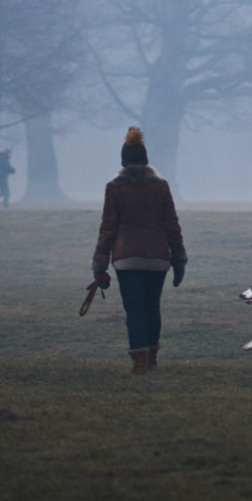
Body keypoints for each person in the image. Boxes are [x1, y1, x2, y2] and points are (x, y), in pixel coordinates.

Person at [92, 127, 186, 375]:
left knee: (134, 310)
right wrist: (179, 259)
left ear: (123, 161)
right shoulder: (161, 186)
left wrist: (99, 263)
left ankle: (140, 362)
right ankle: (152, 358)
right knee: (152, 307)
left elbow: (108, 228)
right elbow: (172, 225)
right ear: (146, 160)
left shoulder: (114, 188)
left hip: (127, 259)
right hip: (158, 259)